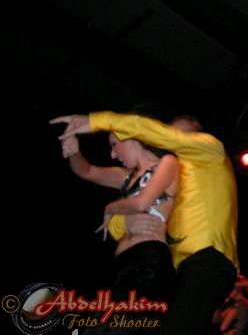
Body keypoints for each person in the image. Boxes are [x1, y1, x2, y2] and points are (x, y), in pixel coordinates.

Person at [51, 111, 239, 335]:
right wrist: (74, 152)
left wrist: (96, 121)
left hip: (206, 257)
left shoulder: (209, 153)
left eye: (184, 134)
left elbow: (143, 203)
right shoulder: (162, 172)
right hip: (172, 266)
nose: (175, 139)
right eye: (171, 133)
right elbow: (91, 175)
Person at [56, 126, 179, 328]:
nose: (113, 154)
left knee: (110, 326)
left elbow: (142, 203)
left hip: (149, 261)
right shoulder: (127, 177)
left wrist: (110, 208)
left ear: (130, 137)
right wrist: (74, 152)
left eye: (114, 145)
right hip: (122, 263)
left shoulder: (167, 164)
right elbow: (86, 170)